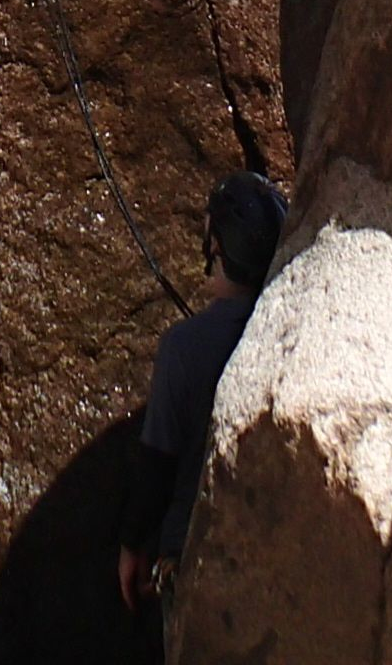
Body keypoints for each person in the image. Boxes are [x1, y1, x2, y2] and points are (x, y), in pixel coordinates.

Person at [118, 172, 289, 616]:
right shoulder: (290, 329)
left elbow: (157, 463)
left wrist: (133, 543)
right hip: (274, 553)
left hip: (192, 556)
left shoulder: (184, 347)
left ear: (216, 248)